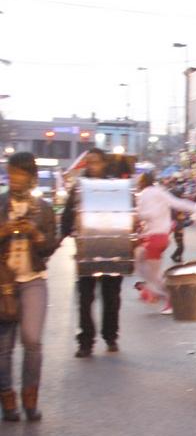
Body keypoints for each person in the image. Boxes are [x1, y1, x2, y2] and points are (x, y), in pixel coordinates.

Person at [0, 153, 60, 423]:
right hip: (4, 283)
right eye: (12, 174)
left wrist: (36, 235)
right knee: (3, 347)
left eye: (21, 175)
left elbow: (50, 245)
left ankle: (30, 398)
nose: (15, 179)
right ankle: (7, 398)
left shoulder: (43, 208)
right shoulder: (1, 204)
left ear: (32, 178)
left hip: (33, 279)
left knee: (32, 340)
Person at [61, 148, 129, 358]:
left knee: (111, 298)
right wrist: (63, 235)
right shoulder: (79, 188)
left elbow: (128, 213)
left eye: (96, 162)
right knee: (85, 299)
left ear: (104, 163)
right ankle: (86, 342)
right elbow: (67, 215)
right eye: (89, 162)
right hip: (86, 252)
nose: (92, 166)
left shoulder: (115, 186)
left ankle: (110, 336)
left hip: (113, 250)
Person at [134, 172, 196, 315]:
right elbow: (177, 203)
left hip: (154, 238)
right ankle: (155, 290)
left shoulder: (145, 194)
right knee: (140, 259)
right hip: (160, 237)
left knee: (152, 274)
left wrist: (138, 216)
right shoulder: (160, 192)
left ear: (143, 182)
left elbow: (146, 214)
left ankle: (170, 297)